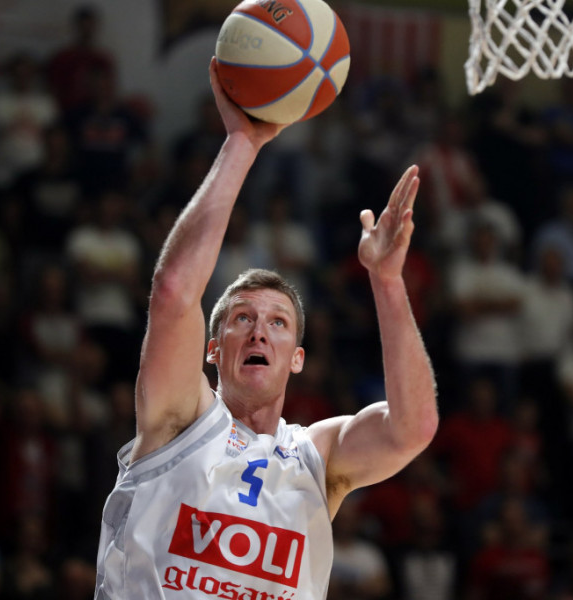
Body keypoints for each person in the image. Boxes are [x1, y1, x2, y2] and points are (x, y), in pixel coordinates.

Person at [93, 60, 439, 600]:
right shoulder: (179, 419)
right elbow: (173, 292)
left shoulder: (317, 456)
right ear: (212, 350)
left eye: (278, 323)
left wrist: (388, 282)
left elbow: (413, 428)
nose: (259, 332)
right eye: (242, 319)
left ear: (297, 358)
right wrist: (243, 142)